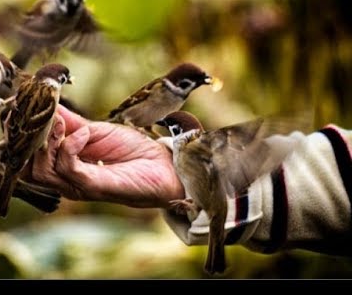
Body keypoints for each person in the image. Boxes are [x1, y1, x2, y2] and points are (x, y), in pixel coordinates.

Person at [28, 105, 352, 257]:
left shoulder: (204, 145)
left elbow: (244, 154)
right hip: (214, 203)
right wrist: (175, 179)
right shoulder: (186, 150)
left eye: (170, 129)